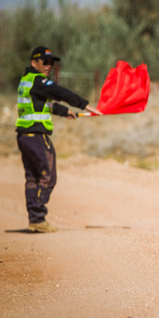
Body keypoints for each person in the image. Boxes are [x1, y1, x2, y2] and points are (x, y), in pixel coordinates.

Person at [16, 46, 102, 233]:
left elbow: (41, 105)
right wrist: (84, 104)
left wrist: (65, 111)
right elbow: (59, 92)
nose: (49, 65)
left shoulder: (26, 81)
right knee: (48, 177)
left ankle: (35, 220)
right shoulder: (38, 81)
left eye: (51, 62)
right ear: (34, 63)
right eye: (45, 62)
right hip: (37, 136)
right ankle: (38, 217)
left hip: (24, 136)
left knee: (33, 178)